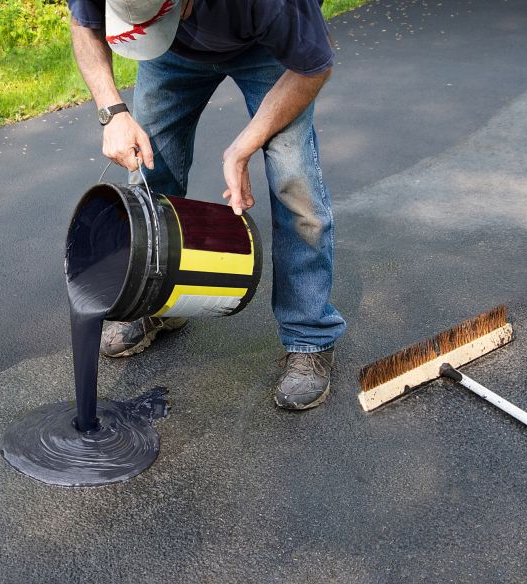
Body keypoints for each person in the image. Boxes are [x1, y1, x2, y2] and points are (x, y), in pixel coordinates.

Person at [65, 0, 346, 409]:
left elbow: (313, 66)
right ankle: (157, 303)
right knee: (149, 172)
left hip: (267, 51)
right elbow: (83, 23)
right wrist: (112, 111)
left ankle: (309, 334)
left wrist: (242, 147)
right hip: (171, 56)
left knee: (294, 183)